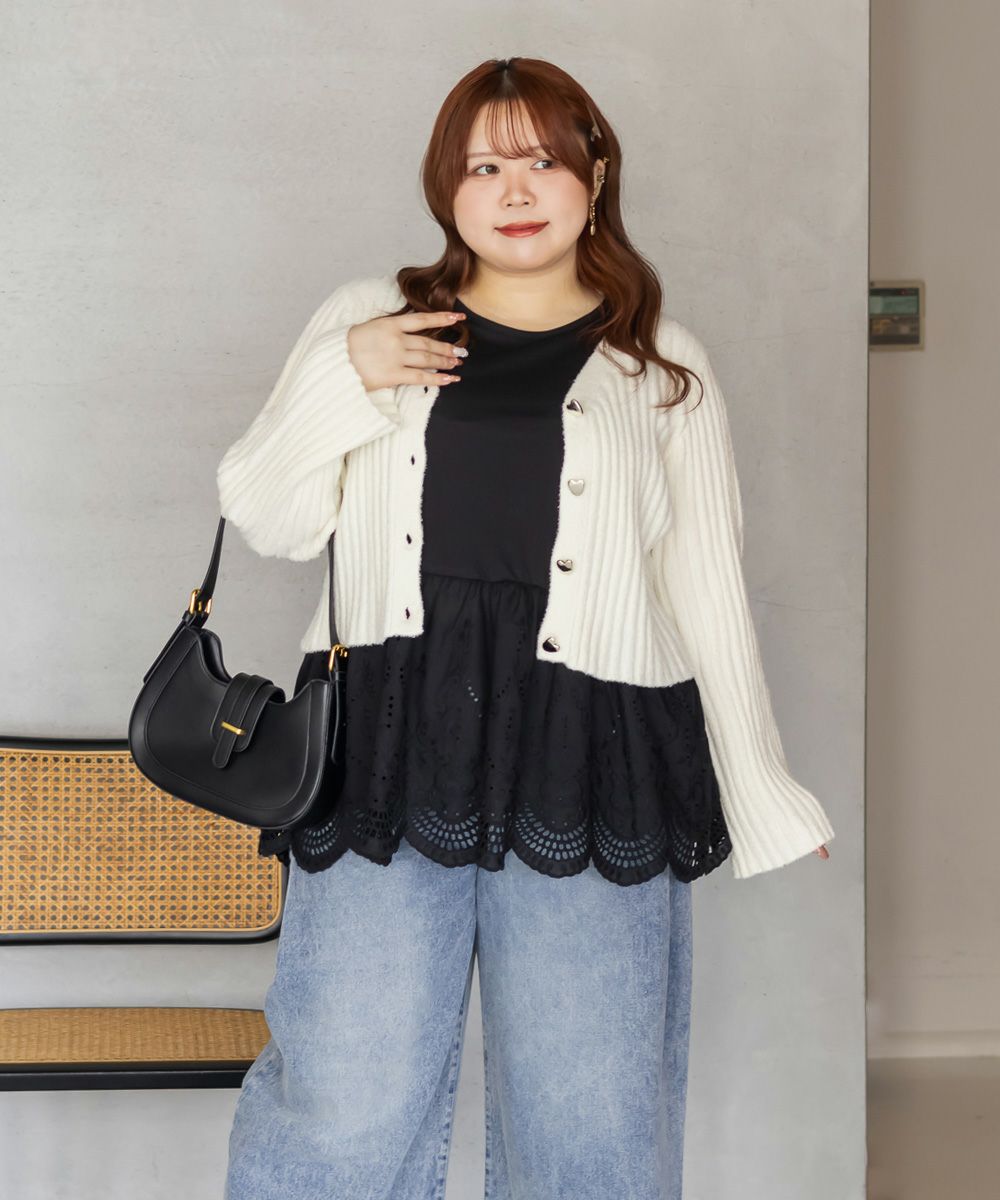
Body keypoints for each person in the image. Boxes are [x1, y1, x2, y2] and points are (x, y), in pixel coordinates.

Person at [219, 55, 833, 1200]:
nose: (511, 190)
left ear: (593, 178)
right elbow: (269, 516)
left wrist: (761, 790)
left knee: (589, 1118)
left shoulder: (662, 363)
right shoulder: (370, 320)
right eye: (480, 167)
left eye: (541, 161)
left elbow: (704, 586)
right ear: (444, 190)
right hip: (385, 742)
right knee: (341, 1099)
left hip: (587, 749)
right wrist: (343, 377)